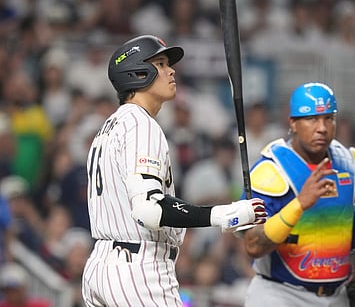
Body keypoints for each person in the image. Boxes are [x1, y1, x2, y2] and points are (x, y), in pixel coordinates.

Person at [80, 35, 267, 307]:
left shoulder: (108, 128)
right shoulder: (141, 125)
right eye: (161, 63)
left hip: (101, 266)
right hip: (138, 271)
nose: (171, 70)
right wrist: (224, 214)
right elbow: (149, 209)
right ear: (138, 72)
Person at [237, 82, 355, 306]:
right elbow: (253, 246)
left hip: (337, 295)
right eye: (312, 119)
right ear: (293, 123)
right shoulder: (272, 169)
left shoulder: (347, 163)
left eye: (328, 118)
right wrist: (299, 204)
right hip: (279, 295)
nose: (321, 127)